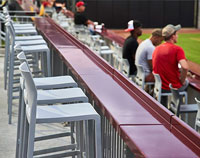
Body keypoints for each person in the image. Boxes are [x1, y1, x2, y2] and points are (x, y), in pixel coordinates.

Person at [152, 24, 189, 105]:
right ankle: (177, 109)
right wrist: (182, 81)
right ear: (172, 36)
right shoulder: (177, 49)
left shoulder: (156, 48)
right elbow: (185, 67)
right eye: (176, 34)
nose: (177, 36)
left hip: (159, 86)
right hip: (172, 87)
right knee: (186, 83)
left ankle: (166, 109)